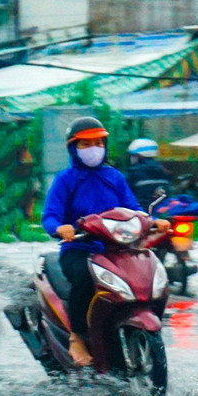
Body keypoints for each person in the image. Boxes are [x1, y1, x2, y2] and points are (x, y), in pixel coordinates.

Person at [41, 117, 169, 367]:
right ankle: (77, 336)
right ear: (73, 148)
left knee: (148, 277)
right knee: (85, 280)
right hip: (79, 248)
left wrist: (152, 221)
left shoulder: (115, 177)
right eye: (86, 143)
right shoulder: (65, 179)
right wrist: (60, 228)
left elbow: (133, 208)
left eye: (98, 142)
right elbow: (50, 216)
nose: (93, 148)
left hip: (116, 248)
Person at [126, 138, 170, 211]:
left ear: (138, 155)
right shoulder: (163, 171)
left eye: (133, 155)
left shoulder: (133, 172)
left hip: (139, 215)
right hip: (163, 214)